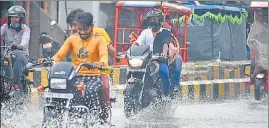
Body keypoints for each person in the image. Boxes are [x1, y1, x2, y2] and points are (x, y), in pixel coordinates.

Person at [40, 12, 109, 122]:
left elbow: (104, 55)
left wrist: (101, 63)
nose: (82, 32)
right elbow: (60, 55)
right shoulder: (72, 38)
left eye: (85, 29)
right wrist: (51, 61)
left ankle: (95, 118)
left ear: (91, 27)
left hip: (93, 76)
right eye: (79, 29)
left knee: (90, 91)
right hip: (75, 76)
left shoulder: (99, 39)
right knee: (56, 89)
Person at [65, 8, 116, 119]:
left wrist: (100, 43)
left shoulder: (99, 33)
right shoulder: (72, 37)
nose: (73, 28)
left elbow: (113, 53)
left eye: (74, 24)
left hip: (100, 72)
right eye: (71, 26)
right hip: (79, 72)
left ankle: (104, 116)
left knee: (105, 88)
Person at [133, 8, 172, 96]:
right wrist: (132, 48)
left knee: (164, 72)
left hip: (160, 60)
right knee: (133, 71)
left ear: (161, 21)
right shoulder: (145, 32)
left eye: (154, 19)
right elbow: (138, 42)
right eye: (151, 19)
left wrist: (164, 53)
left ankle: (167, 94)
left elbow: (165, 44)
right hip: (146, 60)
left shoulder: (165, 32)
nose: (152, 21)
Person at [0, 6, 30, 88]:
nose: (14, 19)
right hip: (8, 54)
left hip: (22, 55)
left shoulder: (25, 29)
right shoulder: (5, 27)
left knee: (19, 59)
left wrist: (20, 46)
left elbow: (25, 40)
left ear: (21, 18)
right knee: (2, 61)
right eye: (12, 17)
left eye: (16, 17)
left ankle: (15, 84)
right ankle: (5, 82)